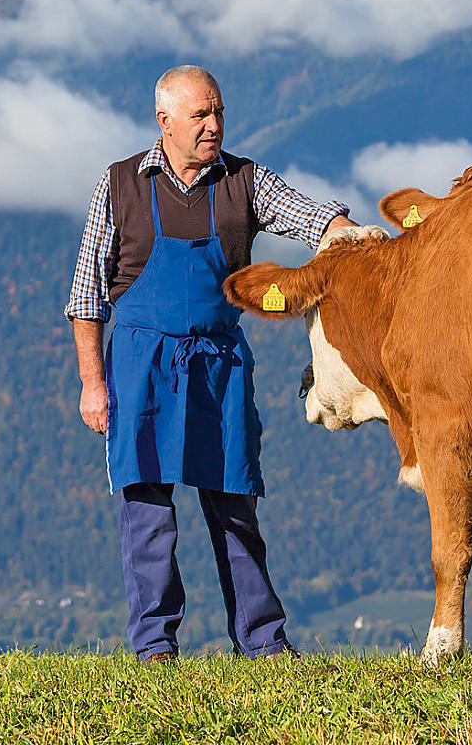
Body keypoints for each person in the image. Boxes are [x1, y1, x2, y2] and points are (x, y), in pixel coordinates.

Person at [66, 65, 356, 662]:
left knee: (234, 504)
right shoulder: (119, 184)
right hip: (140, 365)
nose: (214, 126)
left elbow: (306, 215)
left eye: (218, 112)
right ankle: (155, 647)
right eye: (200, 115)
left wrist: (344, 230)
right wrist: (92, 383)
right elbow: (86, 295)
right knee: (146, 510)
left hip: (219, 364)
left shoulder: (243, 181)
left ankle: (264, 643)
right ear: (164, 120)